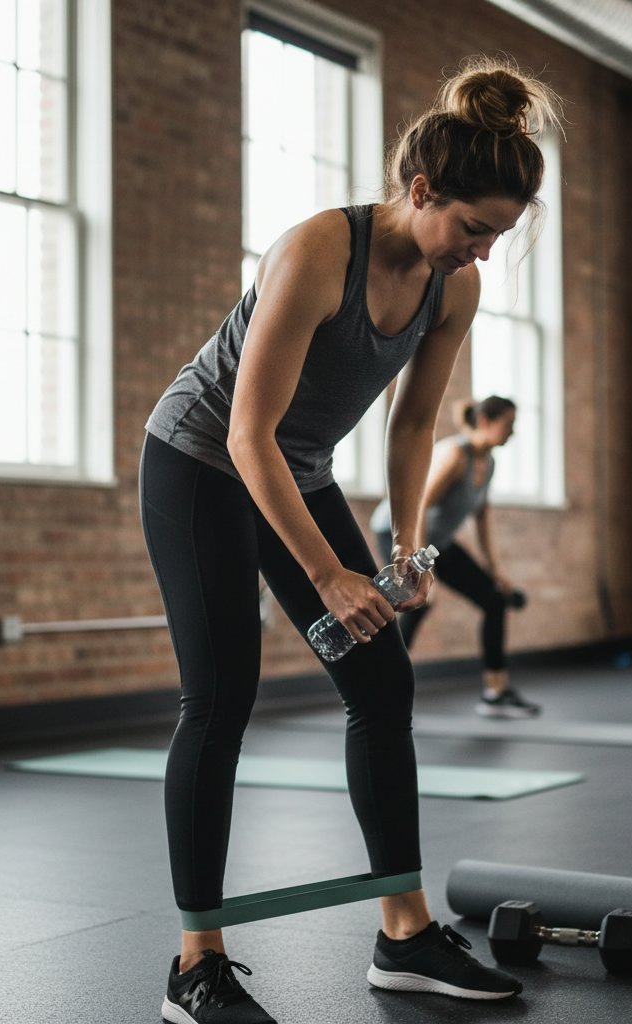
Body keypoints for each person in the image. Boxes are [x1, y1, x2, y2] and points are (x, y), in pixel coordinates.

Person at [140, 56, 562, 1023]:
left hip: (298, 469)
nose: (483, 251)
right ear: (422, 190)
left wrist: (405, 553)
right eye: (475, 227)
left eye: (499, 235)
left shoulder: (454, 288)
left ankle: (404, 937)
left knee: (381, 684)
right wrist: (329, 572)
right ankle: (195, 966)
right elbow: (246, 435)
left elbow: (413, 426)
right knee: (220, 696)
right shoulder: (317, 251)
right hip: (201, 460)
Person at [371, 395, 541, 718]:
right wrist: (421, 568)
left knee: (494, 599)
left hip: (437, 543)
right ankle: (381, 689)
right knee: (419, 602)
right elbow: (419, 506)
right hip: (398, 533)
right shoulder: (455, 455)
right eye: (509, 424)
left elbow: (482, 517)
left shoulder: (488, 463)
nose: (513, 432)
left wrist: (496, 569)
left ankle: (495, 692)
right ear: (485, 421)